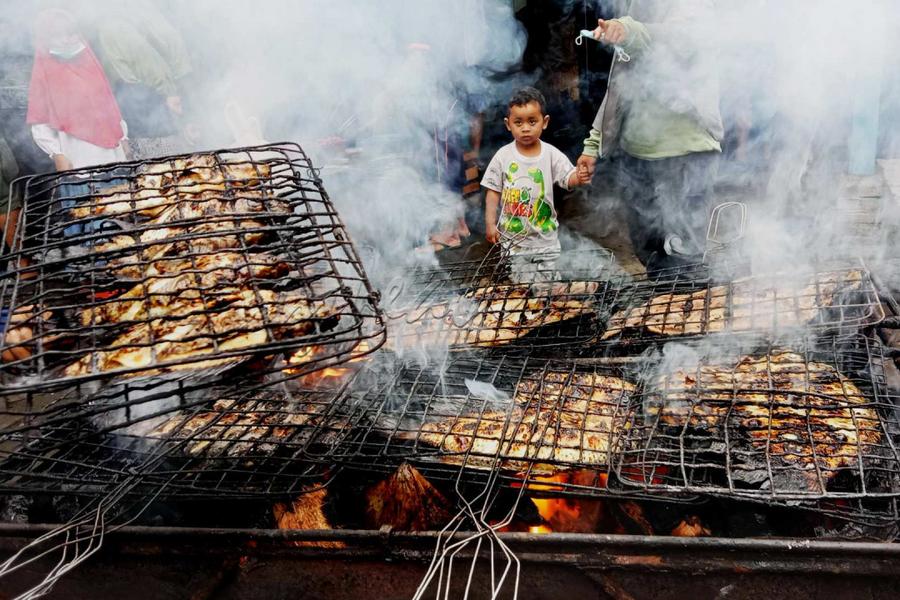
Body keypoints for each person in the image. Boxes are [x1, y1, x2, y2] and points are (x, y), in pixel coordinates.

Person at [576, 1, 723, 272]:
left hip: (687, 155)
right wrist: (592, 145)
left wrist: (629, 31)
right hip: (637, 159)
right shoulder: (634, 6)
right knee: (652, 257)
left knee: (688, 257)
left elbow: (682, 38)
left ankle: (690, 305)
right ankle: (658, 306)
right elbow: (618, 89)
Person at [481, 87, 588, 282]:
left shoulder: (550, 153)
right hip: (513, 242)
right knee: (520, 286)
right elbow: (493, 191)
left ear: (544, 122)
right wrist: (490, 223)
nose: (525, 128)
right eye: (518, 122)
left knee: (547, 287)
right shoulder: (503, 156)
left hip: (545, 241)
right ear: (508, 125)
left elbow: (568, 177)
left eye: (532, 121)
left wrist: (579, 177)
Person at [26, 8, 128, 171]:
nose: (66, 40)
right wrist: (57, 153)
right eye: (58, 36)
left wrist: (123, 137)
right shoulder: (44, 72)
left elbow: (110, 104)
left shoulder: (90, 63)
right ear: (46, 39)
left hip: (113, 156)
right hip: (78, 161)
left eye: (70, 33)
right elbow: (40, 121)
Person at [92, 1, 192, 159]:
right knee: (167, 176)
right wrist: (163, 103)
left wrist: (188, 107)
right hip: (151, 129)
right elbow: (124, 87)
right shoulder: (109, 30)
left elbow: (177, 60)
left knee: (197, 173)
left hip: (177, 111)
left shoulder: (146, 12)